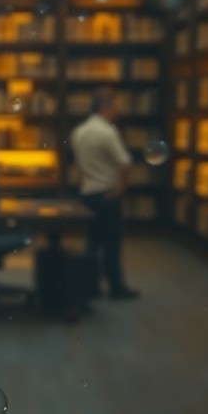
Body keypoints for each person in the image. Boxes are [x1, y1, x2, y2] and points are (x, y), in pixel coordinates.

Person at [70, 87, 139, 300]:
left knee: (92, 241)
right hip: (107, 194)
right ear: (104, 108)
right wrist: (121, 188)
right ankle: (116, 287)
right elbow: (125, 163)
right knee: (112, 243)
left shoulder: (78, 132)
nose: (117, 111)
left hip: (88, 193)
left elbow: (80, 166)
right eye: (114, 106)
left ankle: (90, 286)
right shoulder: (108, 131)